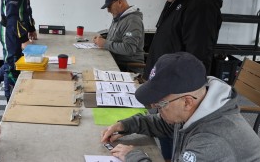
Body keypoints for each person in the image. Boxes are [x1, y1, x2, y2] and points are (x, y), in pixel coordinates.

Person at [101, 52, 260, 162]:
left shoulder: (212, 142)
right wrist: (125, 125)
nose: (156, 109)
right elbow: (162, 124)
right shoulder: (198, 108)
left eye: (161, 104)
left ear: (187, 102)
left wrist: (133, 156)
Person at [144, 0, 223, 161]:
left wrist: (180, 99)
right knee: (163, 137)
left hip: (177, 96)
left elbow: (198, 58)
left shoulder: (201, 6)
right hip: (164, 88)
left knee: (171, 140)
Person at [93, 0, 145, 74]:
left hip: (128, 69)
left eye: (109, 6)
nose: (108, 10)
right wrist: (103, 39)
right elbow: (118, 38)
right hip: (115, 63)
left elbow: (129, 49)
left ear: (120, 2)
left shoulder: (133, 21)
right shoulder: (119, 18)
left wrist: (105, 43)